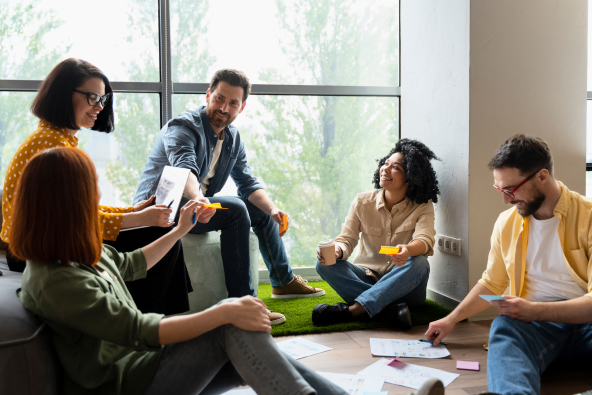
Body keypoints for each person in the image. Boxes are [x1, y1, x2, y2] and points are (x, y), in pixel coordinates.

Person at [14, 147, 348, 395]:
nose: (98, 196)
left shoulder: (78, 253)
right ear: (67, 204)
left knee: (237, 333)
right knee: (227, 323)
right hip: (126, 385)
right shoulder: (55, 280)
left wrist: (178, 231)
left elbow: (132, 263)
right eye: (91, 190)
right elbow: (137, 328)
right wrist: (223, 312)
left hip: (144, 366)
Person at [2, 58, 192, 315]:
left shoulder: (57, 138)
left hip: (47, 239)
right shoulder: (51, 146)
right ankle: (155, 321)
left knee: (155, 233)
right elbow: (73, 220)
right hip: (34, 249)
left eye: (102, 100)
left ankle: (159, 319)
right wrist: (138, 219)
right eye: (93, 98)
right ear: (63, 94)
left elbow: (78, 208)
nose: (99, 107)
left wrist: (131, 211)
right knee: (156, 234)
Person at [134, 69, 325, 324]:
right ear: (208, 95)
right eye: (219, 98)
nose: (224, 108)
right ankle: (242, 304)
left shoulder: (233, 138)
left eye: (233, 102)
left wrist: (272, 209)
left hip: (196, 204)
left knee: (260, 210)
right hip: (164, 208)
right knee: (235, 209)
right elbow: (184, 168)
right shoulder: (182, 126)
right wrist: (199, 198)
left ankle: (283, 281)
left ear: (242, 107)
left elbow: (247, 182)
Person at [425, 135, 592, 395]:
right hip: (536, 329)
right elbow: (492, 282)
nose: (505, 200)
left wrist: (534, 310)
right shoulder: (507, 223)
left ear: (542, 176)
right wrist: (451, 319)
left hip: (586, 327)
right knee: (504, 326)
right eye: (500, 190)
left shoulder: (589, 217)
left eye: (510, 190)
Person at [312, 139, 439, 328]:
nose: (385, 169)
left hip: (405, 285)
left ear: (410, 177)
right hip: (366, 276)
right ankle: (387, 309)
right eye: (385, 163)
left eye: (395, 167)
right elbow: (347, 239)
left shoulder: (422, 205)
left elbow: (425, 240)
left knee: (419, 263)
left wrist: (407, 250)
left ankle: (354, 310)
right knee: (324, 265)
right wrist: (337, 250)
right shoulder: (362, 201)